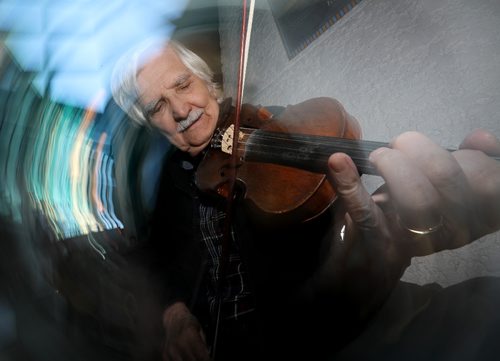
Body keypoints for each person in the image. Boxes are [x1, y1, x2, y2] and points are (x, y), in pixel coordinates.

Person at [111, 39, 500, 361]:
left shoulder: (278, 131)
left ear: (206, 80)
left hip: (348, 333)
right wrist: (174, 314)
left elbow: (328, 254)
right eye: (157, 107)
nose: (180, 110)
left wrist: (376, 246)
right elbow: (157, 258)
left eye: (182, 85)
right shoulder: (170, 182)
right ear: (150, 124)